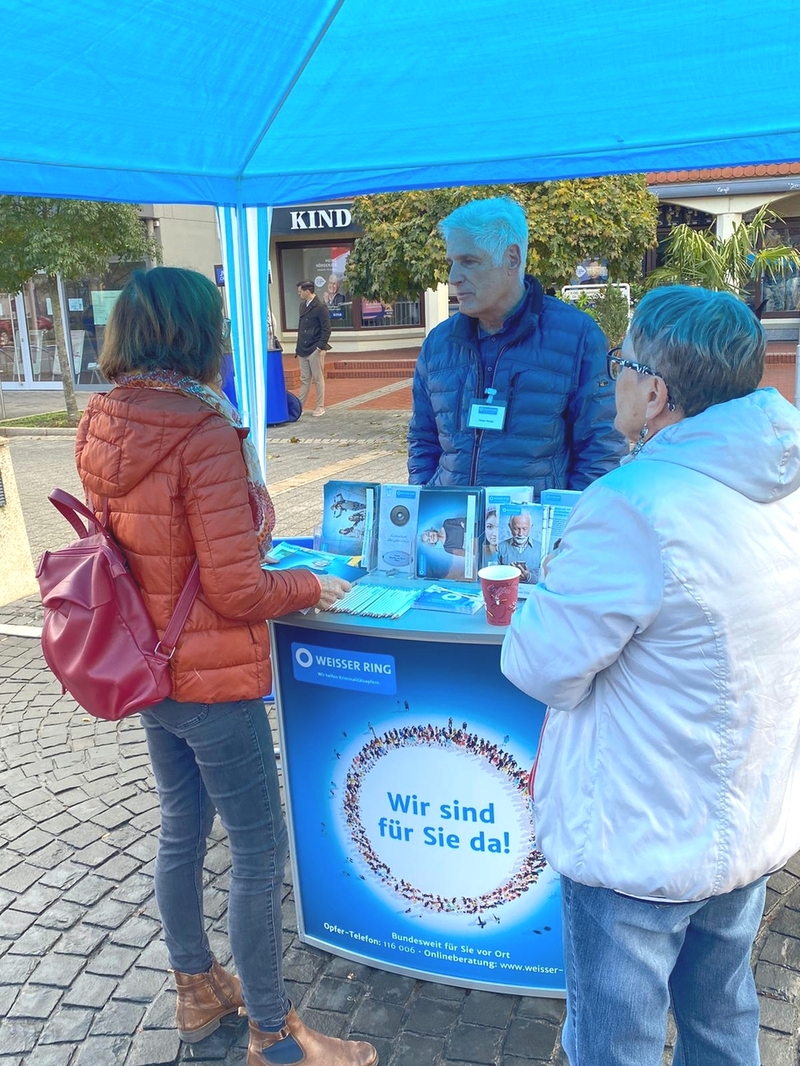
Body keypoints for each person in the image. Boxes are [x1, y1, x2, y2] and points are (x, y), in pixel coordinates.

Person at [75, 268, 376, 1066]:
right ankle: (276, 1036)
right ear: (196, 335)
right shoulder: (203, 429)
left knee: (181, 825)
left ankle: (195, 988)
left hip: (147, 665)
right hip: (209, 676)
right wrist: (310, 583)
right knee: (256, 848)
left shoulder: (104, 416)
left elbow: (157, 549)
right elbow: (238, 587)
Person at [500, 285, 800, 1066]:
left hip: (639, 834)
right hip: (742, 822)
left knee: (614, 1045)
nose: (612, 381)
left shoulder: (632, 505)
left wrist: (542, 592)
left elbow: (539, 665)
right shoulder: (781, 480)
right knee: (722, 1017)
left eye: (620, 364)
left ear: (657, 392)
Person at [407, 196, 625, 489]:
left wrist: (565, 526)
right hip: (449, 527)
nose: (453, 277)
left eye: (468, 261)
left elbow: (601, 449)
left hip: (533, 531)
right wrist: (426, 505)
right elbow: (423, 439)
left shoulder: (577, 337)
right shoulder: (439, 343)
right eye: (451, 263)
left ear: (512, 258)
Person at [296, 280, 331, 417]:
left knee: (317, 378)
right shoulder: (302, 306)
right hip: (302, 349)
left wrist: (319, 347)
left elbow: (326, 329)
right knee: (304, 379)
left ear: (307, 291)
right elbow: (301, 328)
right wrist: (298, 348)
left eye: (300, 291)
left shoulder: (320, 307)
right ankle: (299, 407)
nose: (299, 294)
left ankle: (320, 406)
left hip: (315, 348)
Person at [495, 510, 541, 583]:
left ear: (531, 527)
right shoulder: (500, 547)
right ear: (510, 527)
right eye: (516, 529)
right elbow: (494, 576)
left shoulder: (541, 548)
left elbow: (546, 578)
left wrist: (529, 577)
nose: (520, 533)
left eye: (524, 529)